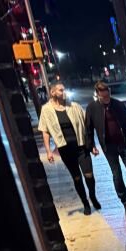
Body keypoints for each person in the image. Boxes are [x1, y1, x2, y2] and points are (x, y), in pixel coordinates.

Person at [38, 82, 99, 215]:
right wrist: (49, 151)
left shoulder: (74, 106)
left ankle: (93, 196)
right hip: (66, 150)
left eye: (64, 90)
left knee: (89, 175)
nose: (63, 92)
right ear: (53, 92)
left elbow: (87, 126)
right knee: (77, 178)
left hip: (82, 147)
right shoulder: (46, 110)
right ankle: (85, 203)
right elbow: (45, 131)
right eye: (60, 90)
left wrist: (92, 144)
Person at [86, 80, 126, 213]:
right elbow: (88, 128)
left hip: (124, 144)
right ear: (97, 95)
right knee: (116, 174)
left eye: (107, 96)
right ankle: (124, 200)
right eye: (103, 97)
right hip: (109, 148)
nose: (106, 99)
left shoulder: (118, 105)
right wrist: (91, 146)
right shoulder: (92, 108)